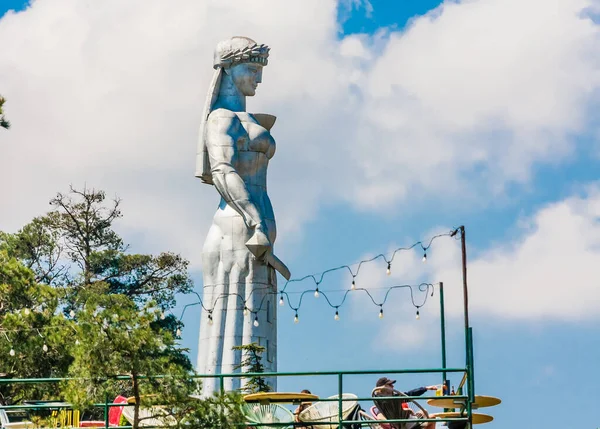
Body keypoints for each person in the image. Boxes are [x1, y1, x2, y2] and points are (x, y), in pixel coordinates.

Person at [195, 36, 290, 395]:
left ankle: (259, 392)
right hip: (237, 227)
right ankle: (228, 400)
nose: (258, 79)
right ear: (230, 71)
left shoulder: (245, 118)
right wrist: (253, 219)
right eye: (252, 70)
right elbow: (222, 172)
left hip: (254, 224)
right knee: (237, 312)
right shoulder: (220, 120)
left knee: (258, 316)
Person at [373, 377, 437, 429]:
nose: (393, 386)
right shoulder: (386, 402)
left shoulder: (381, 401)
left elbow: (410, 394)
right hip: (408, 425)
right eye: (390, 384)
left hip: (406, 421)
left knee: (423, 412)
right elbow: (380, 417)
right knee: (432, 417)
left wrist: (425, 388)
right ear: (382, 388)